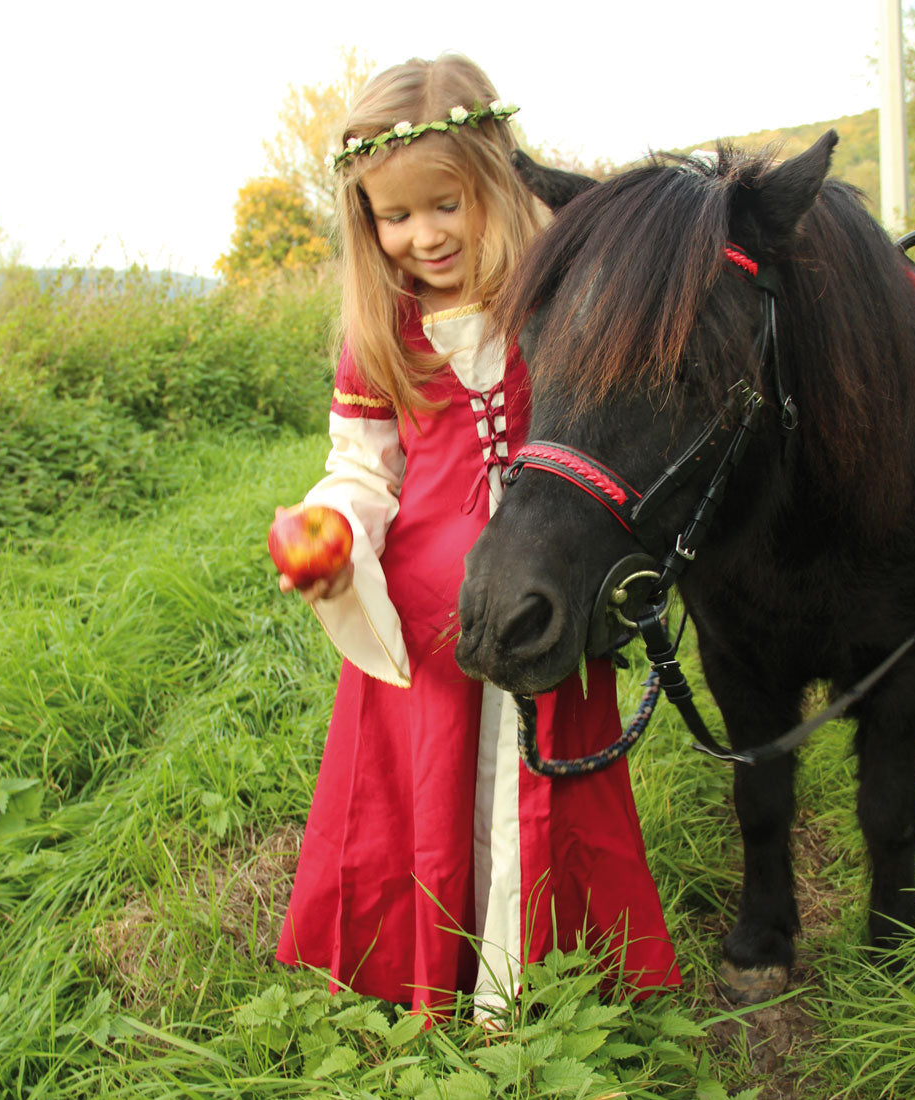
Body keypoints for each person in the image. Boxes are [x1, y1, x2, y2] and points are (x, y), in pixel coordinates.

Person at [274, 53, 679, 1020]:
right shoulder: (387, 329)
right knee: (435, 793)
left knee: (542, 786)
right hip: (430, 614)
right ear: (366, 219)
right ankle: (442, 971)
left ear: (495, 178)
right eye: (395, 215)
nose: (423, 236)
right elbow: (365, 469)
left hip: (549, 586)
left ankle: (544, 976)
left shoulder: (559, 301)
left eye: (444, 203)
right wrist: (333, 525)